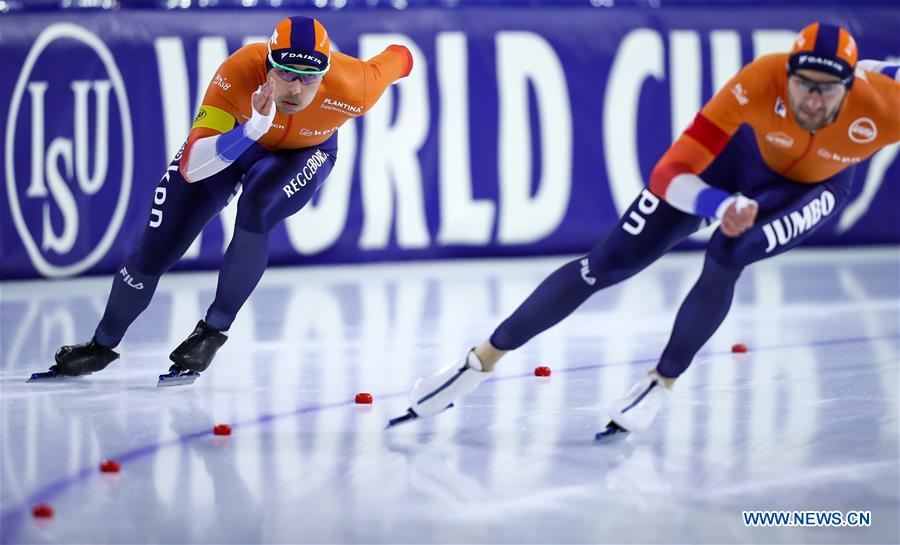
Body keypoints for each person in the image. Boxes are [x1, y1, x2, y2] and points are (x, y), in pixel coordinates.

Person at [389, 23, 899, 438]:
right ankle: (477, 365)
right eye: (803, 84)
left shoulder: (884, 106)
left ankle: (662, 381)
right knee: (605, 263)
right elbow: (669, 173)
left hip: (811, 190)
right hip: (730, 170)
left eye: (828, 88)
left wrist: (730, 219)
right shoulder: (758, 80)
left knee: (731, 249)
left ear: (851, 85)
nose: (813, 100)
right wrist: (717, 202)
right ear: (785, 75)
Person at [32, 16, 412, 385]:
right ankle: (102, 345)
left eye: (310, 78)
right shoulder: (237, 72)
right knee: (158, 244)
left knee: (258, 209)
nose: (296, 90)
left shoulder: (357, 85)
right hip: (231, 144)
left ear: (326, 72)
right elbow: (194, 167)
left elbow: (401, 55)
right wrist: (251, 130)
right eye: (285, 74)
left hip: (301, 156)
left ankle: (212, 332)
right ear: (266, 66)